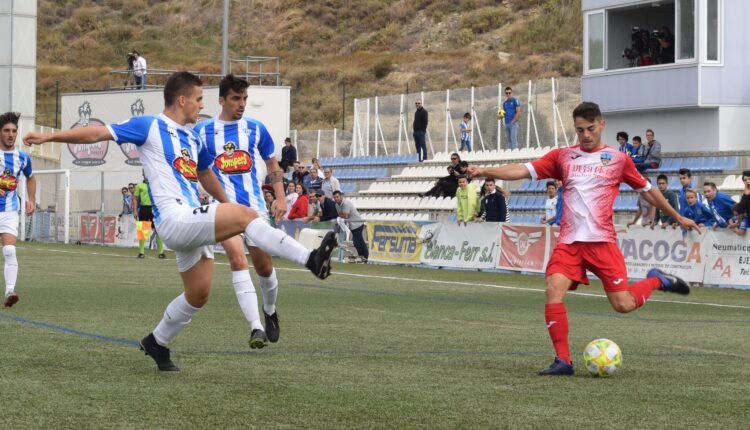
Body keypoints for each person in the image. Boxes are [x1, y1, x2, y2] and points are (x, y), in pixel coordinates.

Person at [23, 71, 337, 372]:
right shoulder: (149, 126)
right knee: (247, 219)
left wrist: (228, 208)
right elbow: (98, 132)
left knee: (198, 294)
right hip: (174, 218)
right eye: (199, 99)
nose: (203, 104)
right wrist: (50, 136)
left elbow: (204, 174)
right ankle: (310, 258)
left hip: (190, 220)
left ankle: (157, 341)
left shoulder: (192, 138)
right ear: (182, 100)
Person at [467, 101, 700, 376]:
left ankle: (656, 279)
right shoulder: (563, 157)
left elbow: (648, 190)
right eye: (580, 130)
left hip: (602, 243)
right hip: (569, 243)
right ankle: (563, 360)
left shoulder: (618, 160)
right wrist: (483, 171)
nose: (586, 135)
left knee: (623, 305)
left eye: (590, 128)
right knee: (553, 290)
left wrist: (677, 215)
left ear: (602, 125)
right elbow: (523, 170)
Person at [194, 74, 288, 348]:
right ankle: (255, 328)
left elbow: (273, 165)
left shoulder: (256, 128)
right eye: (236, 98)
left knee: (265, 267)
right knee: (237, 259)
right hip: (223, 210)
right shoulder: (203, 132)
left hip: (255, 210)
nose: (242, 104)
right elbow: (196, 169)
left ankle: (269, 311)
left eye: (245, 98)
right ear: (222, 100)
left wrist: (280, 198)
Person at [0, 112, 35, 308]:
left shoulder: (22, 158)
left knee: (9, 250)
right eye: (6, 130)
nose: (10, 134)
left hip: (9, 211)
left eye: (13, 131)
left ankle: (9, 291)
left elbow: (30, 177)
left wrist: (31, 199)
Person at [133, 175, 166, 259]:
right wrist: (135, 211)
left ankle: (161, 252)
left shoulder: (157, 184)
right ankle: (141, 252)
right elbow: (135, 198)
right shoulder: (139, 185)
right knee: (143, 231)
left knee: (158, 230)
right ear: (143, 174)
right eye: (145, 173)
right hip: (144, 208)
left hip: (155, 208)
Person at [333, 191, 368, 261]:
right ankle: (363, 257)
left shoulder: (346, 203)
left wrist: (341, 215)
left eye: (337, 197)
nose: (336, 199)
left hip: (357, 224)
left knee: (357, 242)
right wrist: (342, 215)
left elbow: (346, 216)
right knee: (359, 242)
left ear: (341, 196)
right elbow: (341, 215)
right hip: (352, 225)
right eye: (334, 197)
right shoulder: (336, 205)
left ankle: (364, 256)